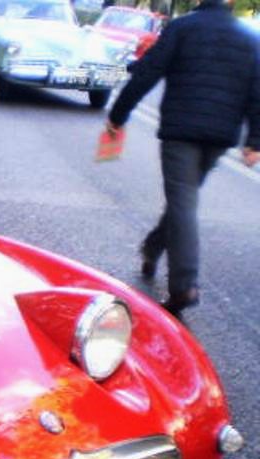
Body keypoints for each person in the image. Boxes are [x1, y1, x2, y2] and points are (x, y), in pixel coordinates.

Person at [105, 0, 260, 319]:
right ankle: (152, 247)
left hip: (181, 132)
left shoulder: (183, 27)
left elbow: (148, 71)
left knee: (182, 202)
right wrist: (253, 141)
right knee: (182, 201)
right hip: (219, 138)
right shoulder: (248, 39)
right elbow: (257, 91)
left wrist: (118, 115)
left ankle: (184, 285)